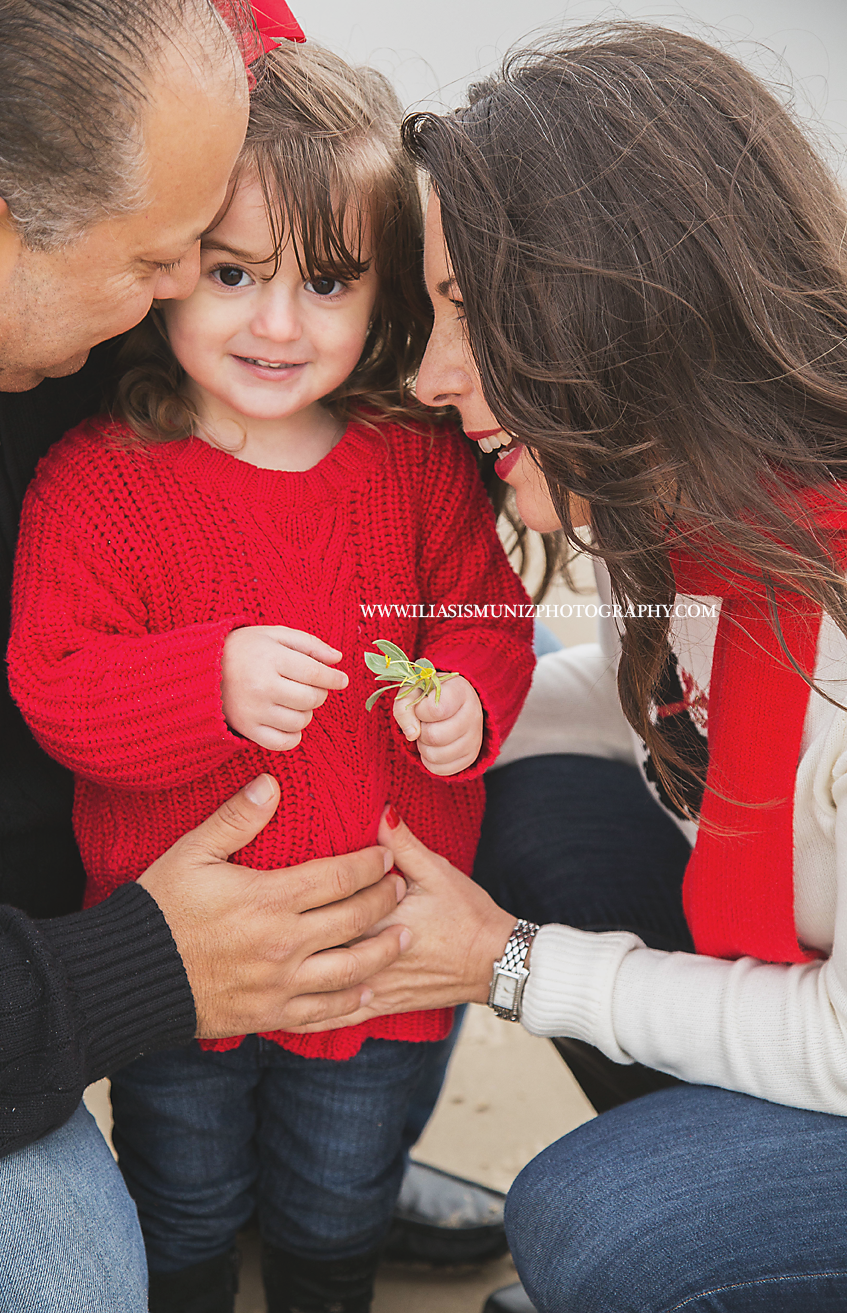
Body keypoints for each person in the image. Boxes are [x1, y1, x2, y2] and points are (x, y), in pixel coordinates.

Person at [297, 22, 847, 1313]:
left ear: (631, 299)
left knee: (593, 1216)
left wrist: (507, 961)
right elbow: (637, 694)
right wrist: (390, 725)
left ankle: (714, 1237)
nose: (432, 376)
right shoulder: (720, 511)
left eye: (471, 315)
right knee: (525, 785)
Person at [7, 41, 535, 1313]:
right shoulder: (100, 477)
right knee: (181, 1196)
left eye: (330, 281)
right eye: (234, 274)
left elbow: (489, 615)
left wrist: (465, 693)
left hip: (381, 952)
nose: (278, 323)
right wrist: (209, 684)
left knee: (338, 1194)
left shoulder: (415, 467)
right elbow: (59, 686)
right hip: (182, 965)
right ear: (172, 267)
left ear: (391, 293)